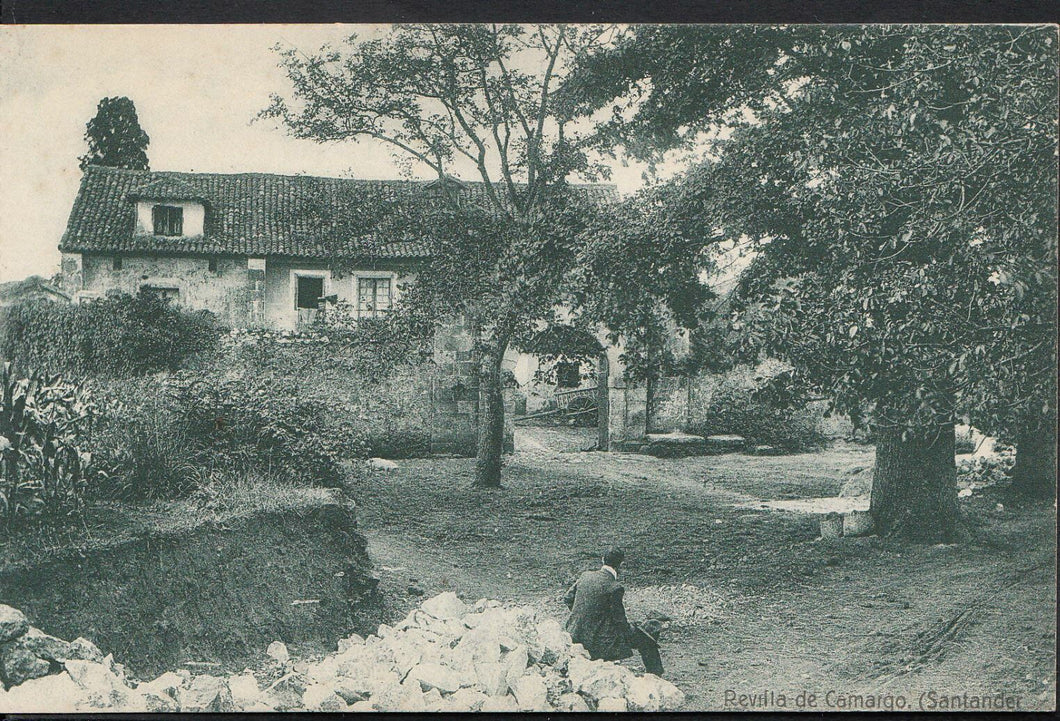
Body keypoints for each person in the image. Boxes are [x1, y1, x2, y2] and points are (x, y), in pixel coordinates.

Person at [562, 547, 664, 675]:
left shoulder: (585, 576)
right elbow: (620, 621)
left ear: (602, 560)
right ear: (621, 565)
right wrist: (637, 631)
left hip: (574, 634)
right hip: (598, 643)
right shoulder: (615, 587)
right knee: (646, 638)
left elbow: (567, 598)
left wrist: (589, 616)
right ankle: (655, 675)